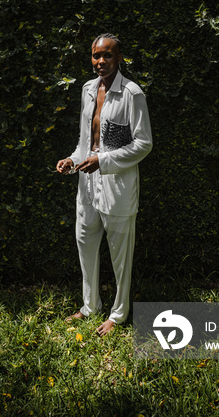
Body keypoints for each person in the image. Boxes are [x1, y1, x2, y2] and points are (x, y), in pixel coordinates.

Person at [56, 33, 152, 336]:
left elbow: (144, 144)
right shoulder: (87, 89)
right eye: (96, 55)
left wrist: (104, 161)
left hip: (118, 189)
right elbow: (86, 142)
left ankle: (119, 314)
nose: (100, 62)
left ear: (119, 57)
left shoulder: (132, 94)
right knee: (85, 246)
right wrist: (73, 161)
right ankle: (90, 306)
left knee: (120, 255)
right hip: (86, 184)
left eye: (107, 55)